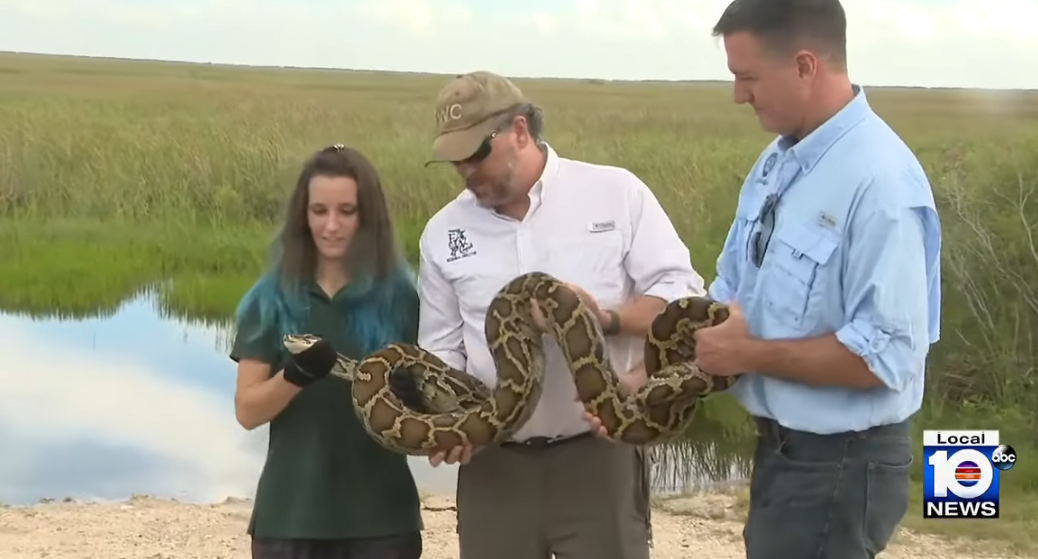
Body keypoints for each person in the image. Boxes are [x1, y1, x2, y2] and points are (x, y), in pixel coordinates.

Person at [587, 1, 943, 558]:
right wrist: (642, 382)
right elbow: (727, 298)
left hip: (841, 460)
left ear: (805, 65)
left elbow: (887, 359)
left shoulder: (880, 184)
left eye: (746, 77)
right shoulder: (776, 164)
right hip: (784, 452)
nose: (738, 95)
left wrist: (750, 355)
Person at [416, 70, 708, 559]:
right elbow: (441, 348)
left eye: (477, 152)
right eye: (455, 159)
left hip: (599, 456)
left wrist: (606, 319)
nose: (466, 169)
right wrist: (447, 421)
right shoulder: (442, 233)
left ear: (520, 130)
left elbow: (682, 298)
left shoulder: (617, 194)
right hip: (495, 466)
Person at [229, 143, 425, 559]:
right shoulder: (268, 300)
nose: (331, 225)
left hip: (383, 523)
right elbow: (247, 411)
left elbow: (428, 407)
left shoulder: (402, 300)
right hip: (290, 520)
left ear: (367, 217)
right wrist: (297, 375)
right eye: (319, 211)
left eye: (347, 211)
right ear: (303, 215)